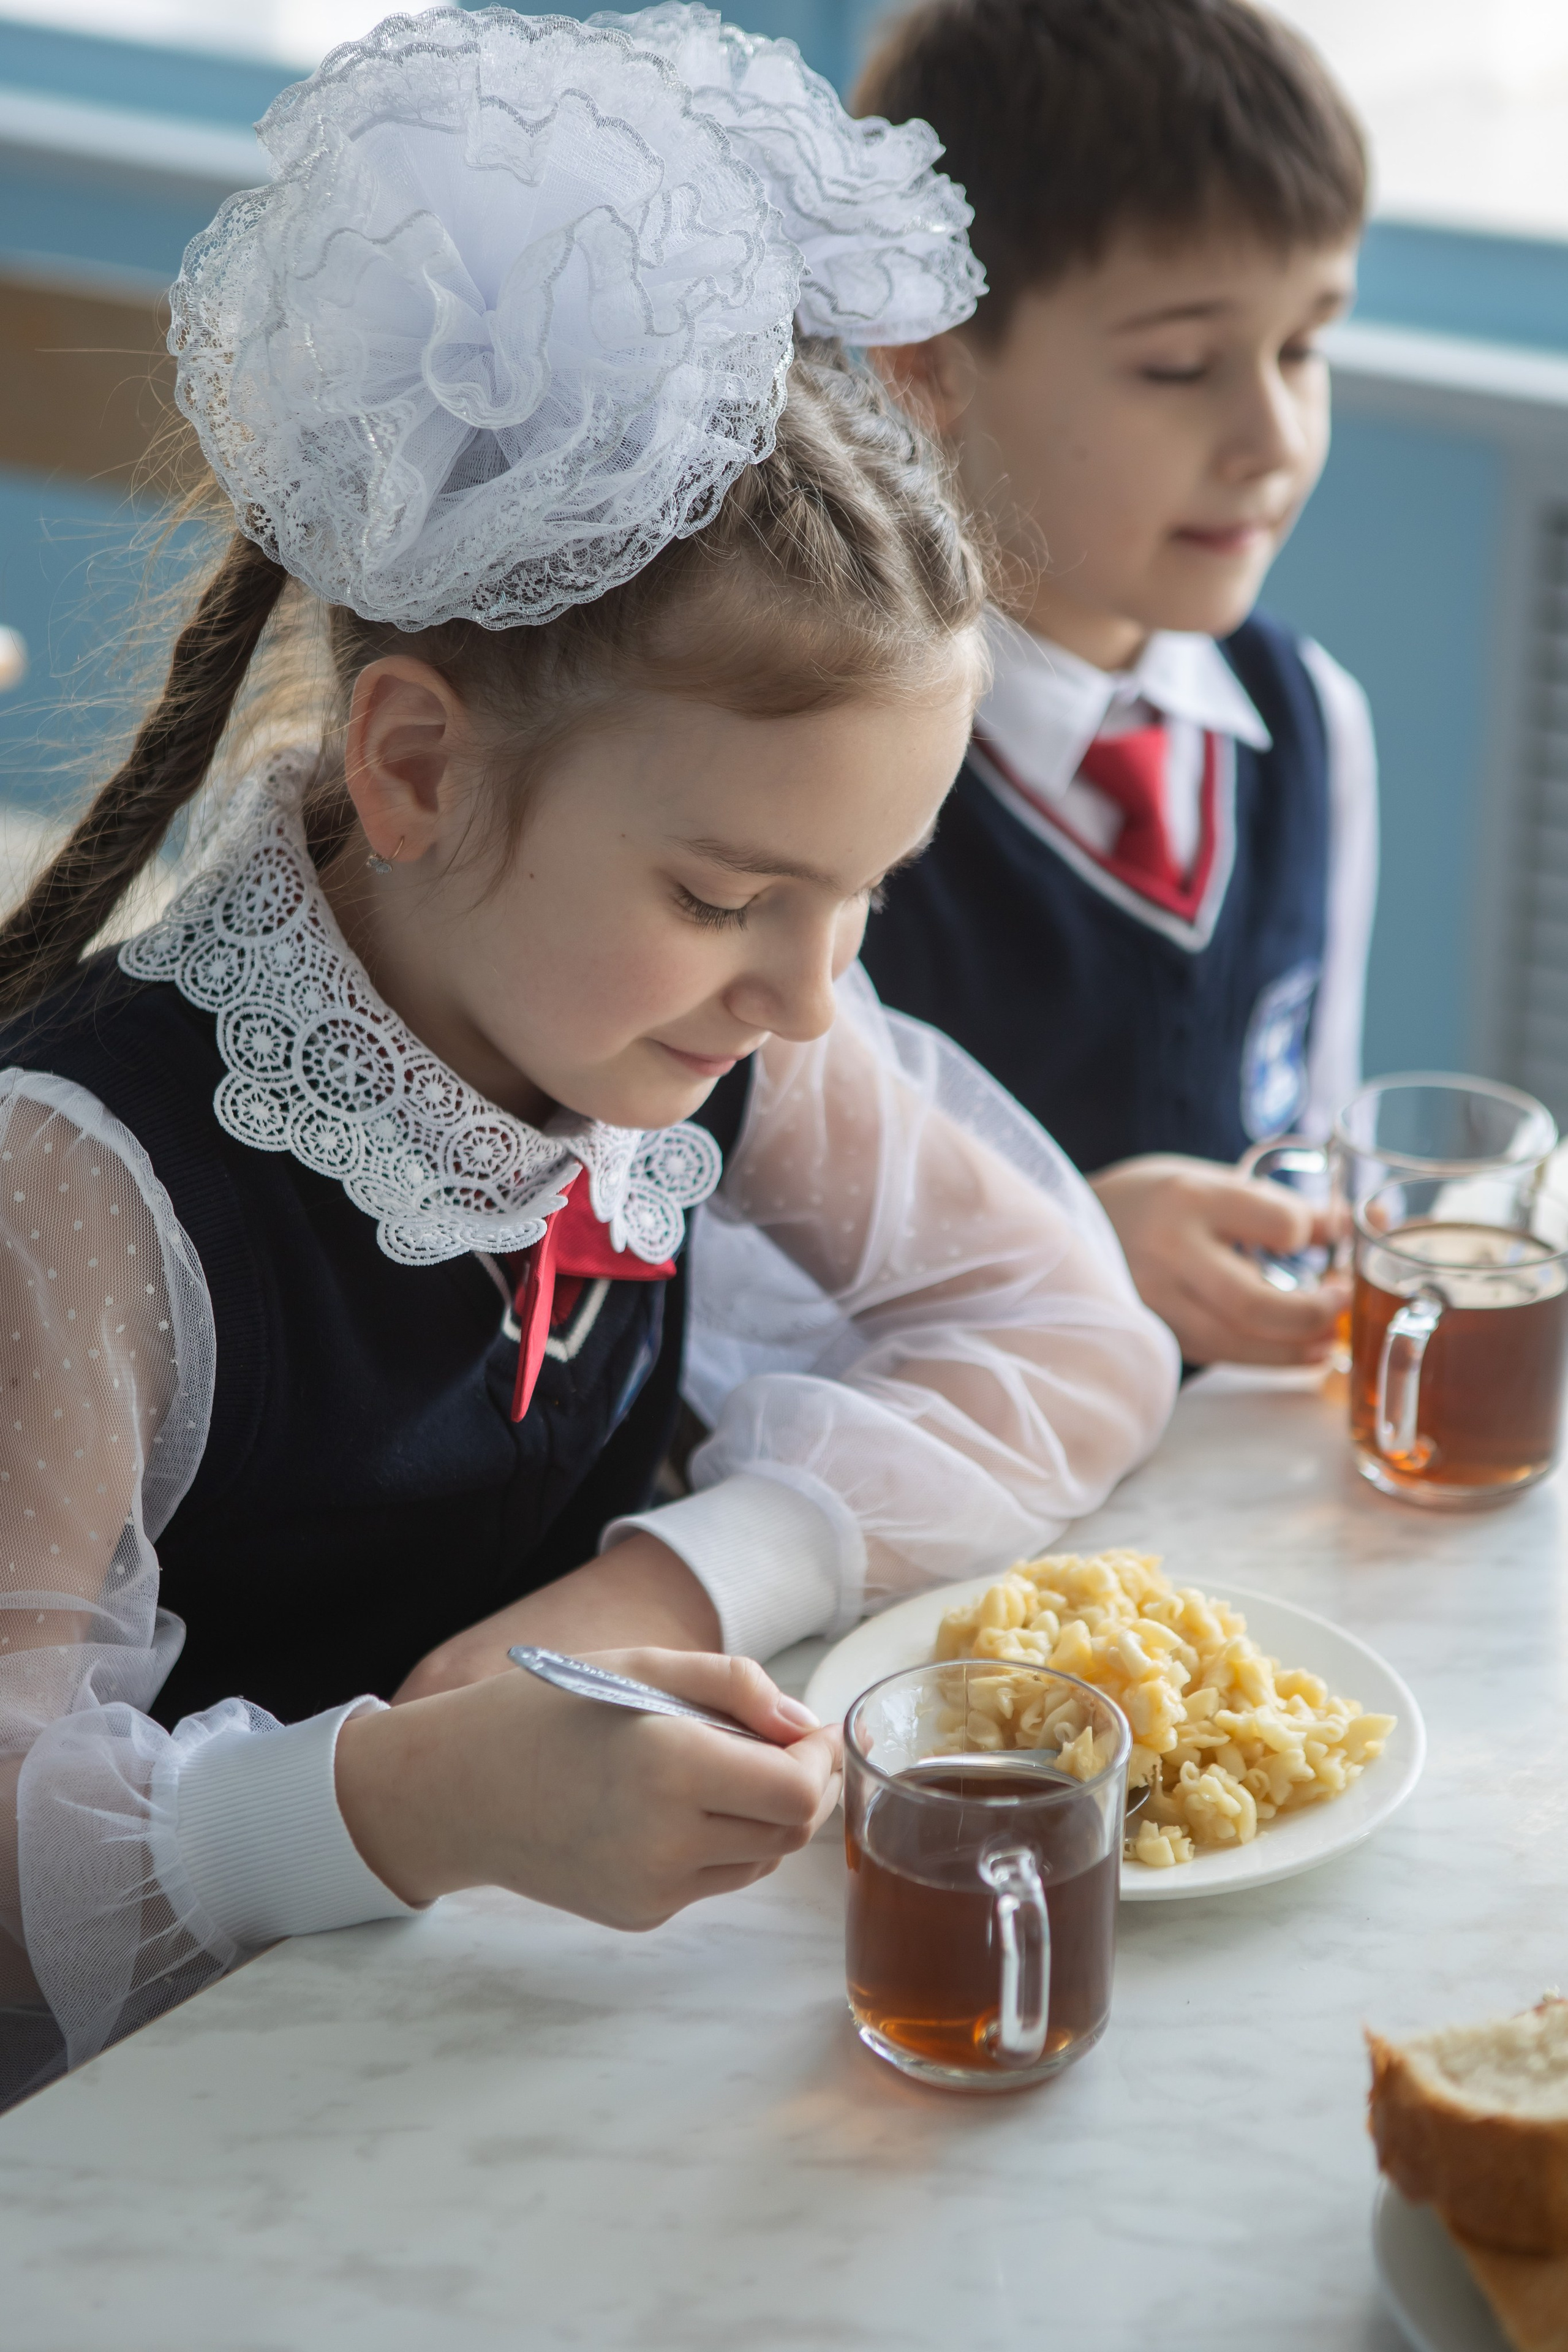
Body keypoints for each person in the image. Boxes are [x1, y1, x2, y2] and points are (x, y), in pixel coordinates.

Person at [0, 4, 1177, 2100]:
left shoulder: (710, 1022)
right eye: (736, 897)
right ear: (421, 770)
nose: (813, 996)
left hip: (492, 2069)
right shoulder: (83, 1193)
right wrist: (408, 1804)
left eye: (869, 895)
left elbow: (1064, 1326)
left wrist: (686, 1575)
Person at [853, 0, 1378, 1369]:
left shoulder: (1311, 720)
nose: (1270, 437)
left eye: (1303, 347)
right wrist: (1070, 1245)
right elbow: (719, 1299)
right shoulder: (822, 774)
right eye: (1178, 366)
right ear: (926, 357)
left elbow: (1308, 1142)